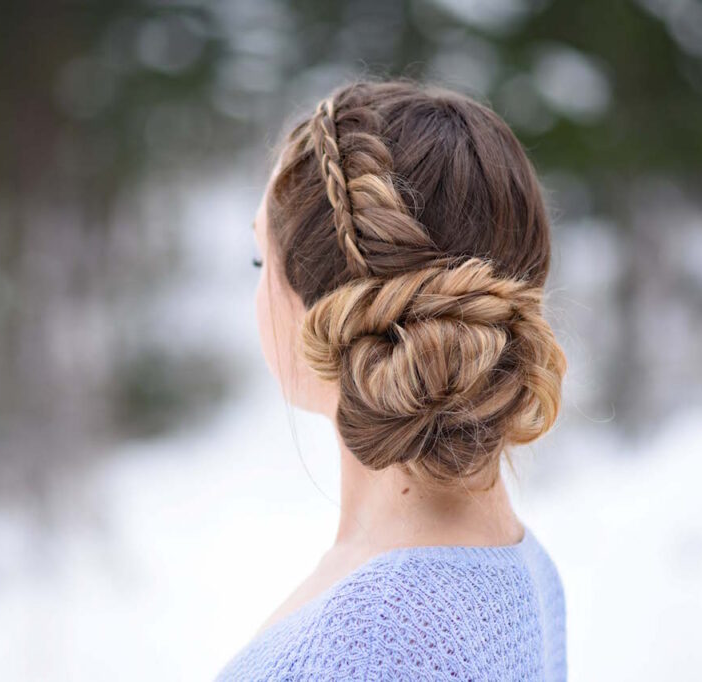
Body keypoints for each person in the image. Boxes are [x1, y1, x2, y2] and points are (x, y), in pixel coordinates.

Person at [215, 77, 568, 681]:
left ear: (330, 310)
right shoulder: (525, 573)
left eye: (260, 260)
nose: (256, 295)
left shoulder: (359, 652)